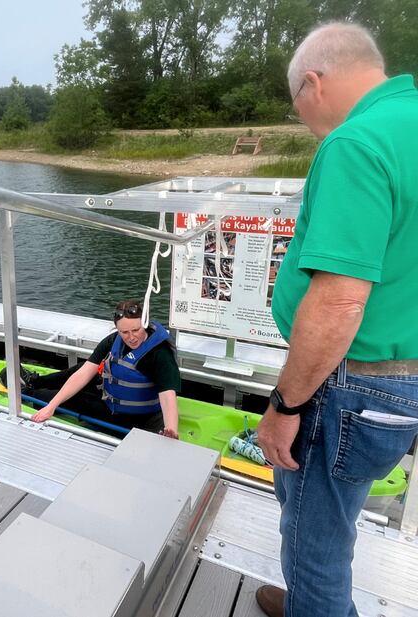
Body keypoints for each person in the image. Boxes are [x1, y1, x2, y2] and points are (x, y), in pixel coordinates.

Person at [254, 23, 418, 617]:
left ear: (312, 84)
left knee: (313, 542)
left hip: (351, 381)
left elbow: (341, 301)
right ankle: (309, 601)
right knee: (334, 516)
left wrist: (285, 407)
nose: (304, 120)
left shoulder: (356, 142)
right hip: (402, 376)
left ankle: (314, 601)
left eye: (296, 104)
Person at [2, 300, 180, 438]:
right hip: (111, 394)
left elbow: (168, 395)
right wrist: (53, 406)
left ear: (145, 324)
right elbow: (83, 373)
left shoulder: (160, 354)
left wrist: (171, 430)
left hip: (133, 417)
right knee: (82, 369)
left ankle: (27, 392)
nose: (131, 337)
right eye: (125, 332)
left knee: (78, 399)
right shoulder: (113, 340)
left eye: (135, 330)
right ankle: (35, 381)